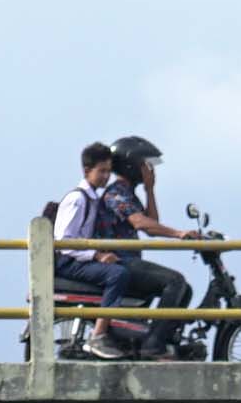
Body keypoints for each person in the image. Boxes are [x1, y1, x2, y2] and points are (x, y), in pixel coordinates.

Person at [56, 134, 188, 347]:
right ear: (133, 166)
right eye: (145, 166)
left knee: (184, 288)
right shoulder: (113, 194)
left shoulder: (128, 193)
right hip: (120, 259)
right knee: (175, 281)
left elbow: (152, 223)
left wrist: (150, 190)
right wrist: (179, 234)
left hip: (123, 257)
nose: (149, 171)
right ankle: (153, 345)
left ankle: (158, 339)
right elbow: (140, 223)